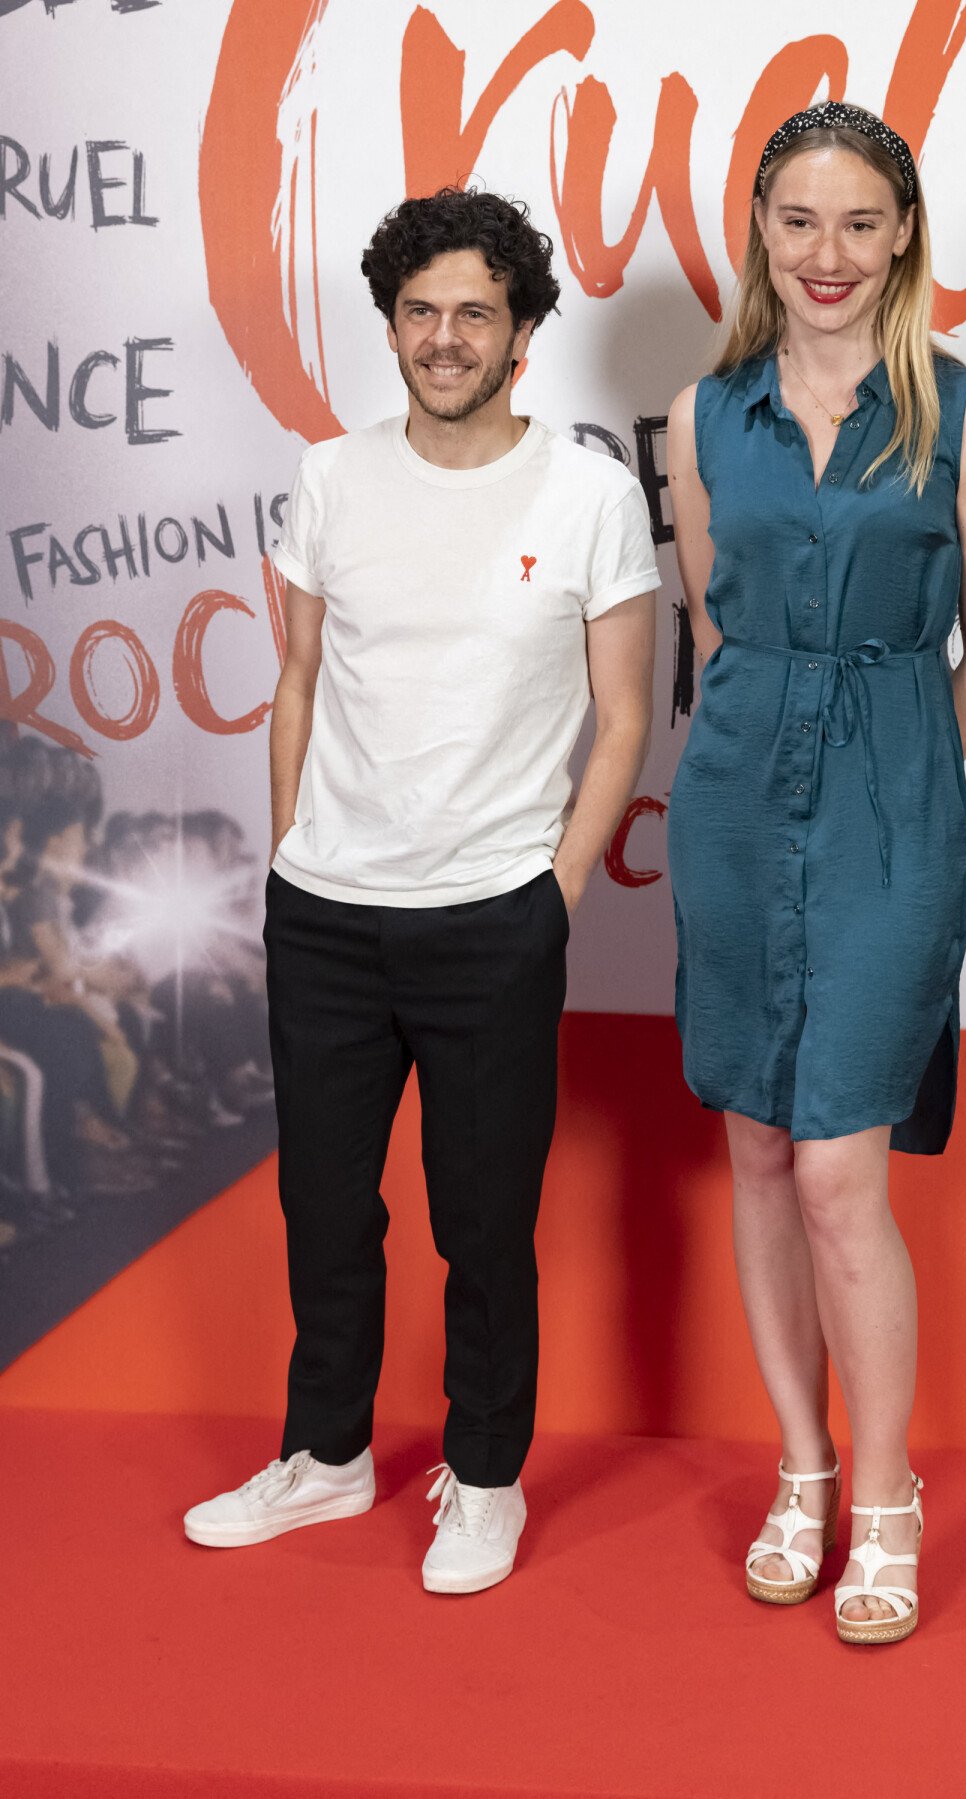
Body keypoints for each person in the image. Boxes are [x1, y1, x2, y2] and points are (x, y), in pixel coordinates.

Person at [184, 188, 659, 1592]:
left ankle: (487, 1478)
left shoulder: (586, 492)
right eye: (420, 312)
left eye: (475, 313)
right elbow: (297, 679)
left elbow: (623, 716)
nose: (445, 337)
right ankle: (325, 1459)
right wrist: (290, 851)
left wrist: (553, 896)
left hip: (493, 918)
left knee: (481, 1219)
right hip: (324, 913)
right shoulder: (332, 476)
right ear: (391, 323)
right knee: (326, 1209)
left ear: (522, 331)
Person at [666, 101, 966, 1644]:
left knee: (836, 1169)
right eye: (800, 220)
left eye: (860, 222)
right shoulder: (703, 415)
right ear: (761, 229)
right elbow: (707, 621)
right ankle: (800, 1472)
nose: (829, 254)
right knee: (755, 1151)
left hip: (895, 804)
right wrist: (759, 758)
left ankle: (885, 1493)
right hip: (734, 802)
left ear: (903, 235)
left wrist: (903, 782)